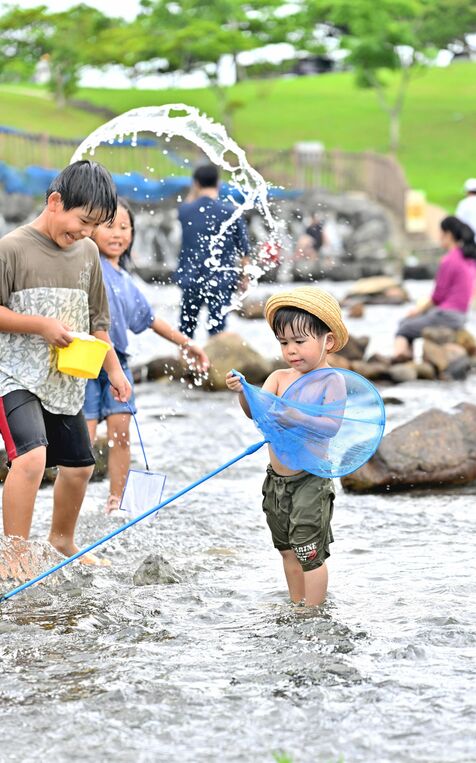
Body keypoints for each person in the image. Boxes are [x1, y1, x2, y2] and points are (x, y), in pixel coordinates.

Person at [0, 160, 132, 569]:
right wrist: (40, 325)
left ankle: (62, 542)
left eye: (97, 225)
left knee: (80, 467)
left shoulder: (88, 253)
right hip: (14, 375)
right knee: (31, 459)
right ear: (55, 201)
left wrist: (114, 370)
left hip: (63, 381)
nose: (88, 232)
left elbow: (98, 322)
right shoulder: (12, 248)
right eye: (84, 221)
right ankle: (15, 553)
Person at [84, 198, 210, 514]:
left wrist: (185, 343)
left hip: (120, 364)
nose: (118, 234)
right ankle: (76, 499)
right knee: (83, 441)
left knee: (121, 434)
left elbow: (151, 320)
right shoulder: (87, 265)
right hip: (85, 363)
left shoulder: (127, 281)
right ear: (91, 229)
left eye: (125, 227)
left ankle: (117, 500)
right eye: (109, 226)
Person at [226, 286, 349, 607]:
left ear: (328, 341)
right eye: (284, 343)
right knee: (286, 548)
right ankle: (297, 606)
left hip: (310, 478)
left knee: (309, 551)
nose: (291, 350)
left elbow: (330, 426)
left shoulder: (331, 381)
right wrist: (244, 392)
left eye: (300, 341)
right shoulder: (279, 378)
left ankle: (314, 613)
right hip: (277, 481)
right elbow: (257, 412)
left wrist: (296, 416)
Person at [174, 164, 250, 339]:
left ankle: (184, 363)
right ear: (218, 183)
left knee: (186, 328)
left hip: (191, 276)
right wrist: (244, 277)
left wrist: (194, 191)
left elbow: (186, 204)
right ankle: (216, 363)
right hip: (221, 279)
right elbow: (244, 250)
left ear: (195, 183)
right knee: (218, 328)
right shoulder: (231, 212)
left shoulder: (185, 210)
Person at [393, 215, 476, 362]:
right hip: (461, 316)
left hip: (446, 315)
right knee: (412, 323)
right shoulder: (469, 259)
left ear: (448, 235)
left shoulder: (449, 260)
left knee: (404, 326)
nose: (438, 237)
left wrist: (416, 311)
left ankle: (400, 361)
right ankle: (409, 362)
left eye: (440, 233)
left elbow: (438, 297)